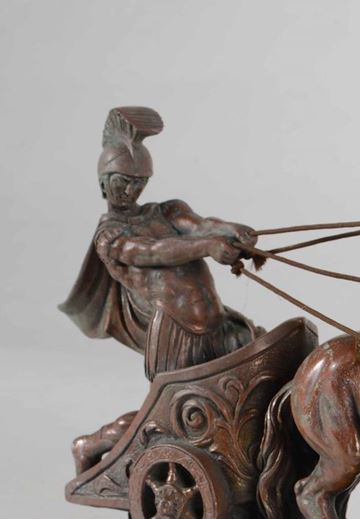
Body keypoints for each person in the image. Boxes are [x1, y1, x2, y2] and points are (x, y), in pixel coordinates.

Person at [61, 106, 261, 473]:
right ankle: (92, 444)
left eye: (138, 182)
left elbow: (201, 225)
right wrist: (208, 247)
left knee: (251, 374)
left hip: (217, 322)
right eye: (122, 181)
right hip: (175, 333)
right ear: (103, 183)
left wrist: (232, 231)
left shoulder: (167, 211)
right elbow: (153, 252)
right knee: (172, 416)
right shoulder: (110, 236)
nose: (131, 190)